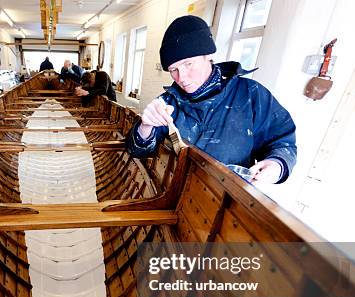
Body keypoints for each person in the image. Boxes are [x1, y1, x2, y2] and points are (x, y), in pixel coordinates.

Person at [127, 15, 297, 184]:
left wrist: (277, 165)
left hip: (227, 199)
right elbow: (137, 151)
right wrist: (145, 127)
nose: (182, 77)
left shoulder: (251, 95)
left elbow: (283, 141)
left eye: (188, 64)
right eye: (173, 70)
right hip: (174, 196)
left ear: (207, 55)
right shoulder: (167, 103)